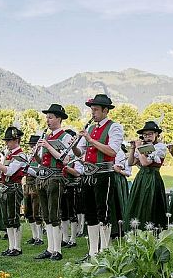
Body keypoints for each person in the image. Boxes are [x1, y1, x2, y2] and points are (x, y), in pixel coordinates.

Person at [73, 94, 123, 260]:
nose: (92, 113)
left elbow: (112, 151)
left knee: (104, 213)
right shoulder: (90, 129)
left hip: (103, 175)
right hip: (87, 175)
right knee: (91, 214)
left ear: (105, 110)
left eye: (95, 110)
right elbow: (81, 152)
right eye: (92, 109)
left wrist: (91, 140)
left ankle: (105, 251)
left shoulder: (114, 127)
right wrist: (74, 146)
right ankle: (93, 251)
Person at [35, 104, 73, 261]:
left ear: (59, 119)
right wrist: (36, 152)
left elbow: (65, 159)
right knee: (46, 215)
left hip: (56, 178)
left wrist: (48, 146)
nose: (47, 120)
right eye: (47, 117)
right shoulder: (47, 137)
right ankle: (50, 248)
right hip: (43, 177)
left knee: (54, 213)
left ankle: (58, 250)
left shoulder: (65, 137)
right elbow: (41, 161)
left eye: (50, 117)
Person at [0, 126, 27, 256]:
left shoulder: (20, 155)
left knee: (14, 218)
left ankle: (17, 247)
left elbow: (9, 171)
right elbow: (1, 173)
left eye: (9, 141)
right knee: (7, 219)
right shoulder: (9, 155)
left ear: (16, 140)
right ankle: (11, 246)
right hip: (5, 187)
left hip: (14, 188)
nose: (6, 143)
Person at [127, 121, 168, 230]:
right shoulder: (143, 146)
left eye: (150, 134)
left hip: (153, 178)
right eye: (145, 135)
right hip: (141, 178)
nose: (147, 137)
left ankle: (152, 230)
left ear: (156, 134)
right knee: (139, 202)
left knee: (151, 204)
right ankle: (137, 229)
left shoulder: (160, 147)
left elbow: (145, 163)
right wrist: (132, 148)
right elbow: (130, 163)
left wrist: (139, 149)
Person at [23, 134, 44, 245]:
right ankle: (34, 236)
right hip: (28, 184)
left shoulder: (41, 156)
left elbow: (40, 172)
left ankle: (40, 237)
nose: (32, 147)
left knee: (37, 212)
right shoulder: (28, 156)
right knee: (28, 212)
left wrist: (29, 169)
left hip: (37, 184)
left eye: (33, 145)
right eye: (31, 145)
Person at [112, 143, 131, 236]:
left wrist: (119, 171)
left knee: (118, 203)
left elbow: (128, 173)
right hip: (109, 178)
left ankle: (120, 229)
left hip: (118, 180)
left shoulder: (120, 153)